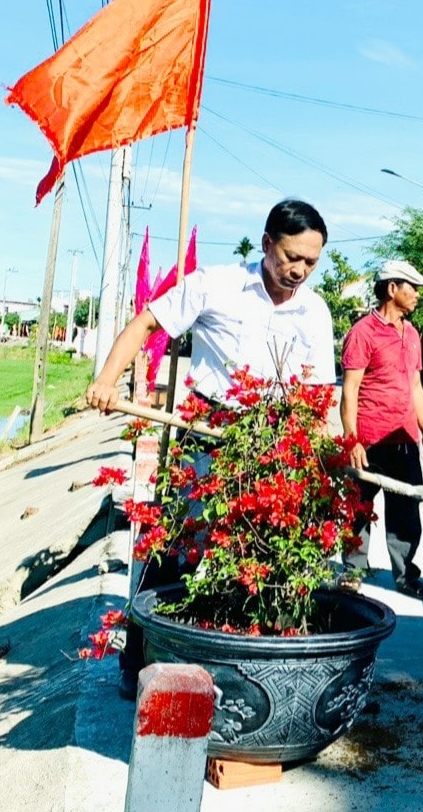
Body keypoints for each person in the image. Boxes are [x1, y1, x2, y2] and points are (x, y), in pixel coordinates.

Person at [85, 197, 336, 699]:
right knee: (175, 543)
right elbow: (147, 324)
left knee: (263, 553)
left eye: (311, 262)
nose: (299, 271)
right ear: (267, 244)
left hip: (275, 438)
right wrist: (107, 381)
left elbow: (319, 392)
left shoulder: (315, 309)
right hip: (209, 429)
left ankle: (239, 666)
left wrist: (317, 450)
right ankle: (139, 666)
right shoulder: (217, 284)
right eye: (291, 257)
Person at [340, 260, 423, 602]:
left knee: (406, 513)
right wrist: (352, 439)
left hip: (404, 442)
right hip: (369, 442)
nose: (416, 295)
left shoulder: (411, 333)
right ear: (391, 288)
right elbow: (350, 389)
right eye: (411, 288)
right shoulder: (363, 332)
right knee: (359, 509)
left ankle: (406, 575)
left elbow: (415, 387)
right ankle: (352, 572)